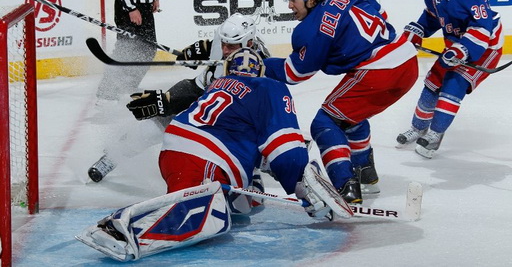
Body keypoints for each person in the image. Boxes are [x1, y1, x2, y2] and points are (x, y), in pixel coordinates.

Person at [77, 47, 350, 261]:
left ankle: (203, 200)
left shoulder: (218, 83)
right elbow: (285, 150)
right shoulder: (270, 87)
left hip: (177, 148)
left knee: (248, 202)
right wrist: (304, 192)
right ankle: (122, 230)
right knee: (202, 217)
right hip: (205, 156)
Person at [262, 0, 419, 203]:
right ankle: (366, 175)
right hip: (407, 60)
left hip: (378, 72)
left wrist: (262, 64)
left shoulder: (310, 29)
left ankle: (345, 185)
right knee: (349, 116)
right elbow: (381, 15)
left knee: (324, 123)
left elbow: (294, 73)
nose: (290, 5)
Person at [87, 13, 270, 182]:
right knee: (156, 122)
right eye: (222, 44)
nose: (225, 50)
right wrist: (197, 51)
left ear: (249, 43)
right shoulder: (227, 39)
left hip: (229, 112)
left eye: (231, 46)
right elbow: (211, 48)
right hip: (201, 88)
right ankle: (113, 155)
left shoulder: (260, 67)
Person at [396, 0, 504, 159]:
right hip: (455, 43)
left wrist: (463, 50)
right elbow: (433, 16)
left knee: (453, 84)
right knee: (432, 83)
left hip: (485, 46)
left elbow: (483, 27)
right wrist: (417, 31)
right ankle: (418, 128)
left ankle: (435, 134)